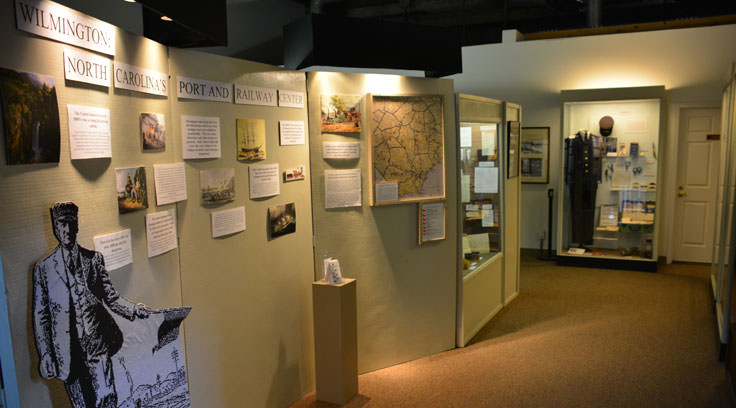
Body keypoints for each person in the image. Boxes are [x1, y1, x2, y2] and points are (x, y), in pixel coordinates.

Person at [32, 202, 149, 408]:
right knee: (80, 405)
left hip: (97, 347)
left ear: (77, 224)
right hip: (66, 354)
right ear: (55, 226)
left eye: (70, 223)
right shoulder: (44, 269)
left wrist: (134, 310)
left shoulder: (94, 260)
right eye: (61, 223)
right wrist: (46, 354)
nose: (67, 229)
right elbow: (41, 316)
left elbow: (111, 297)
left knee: (107, 399)